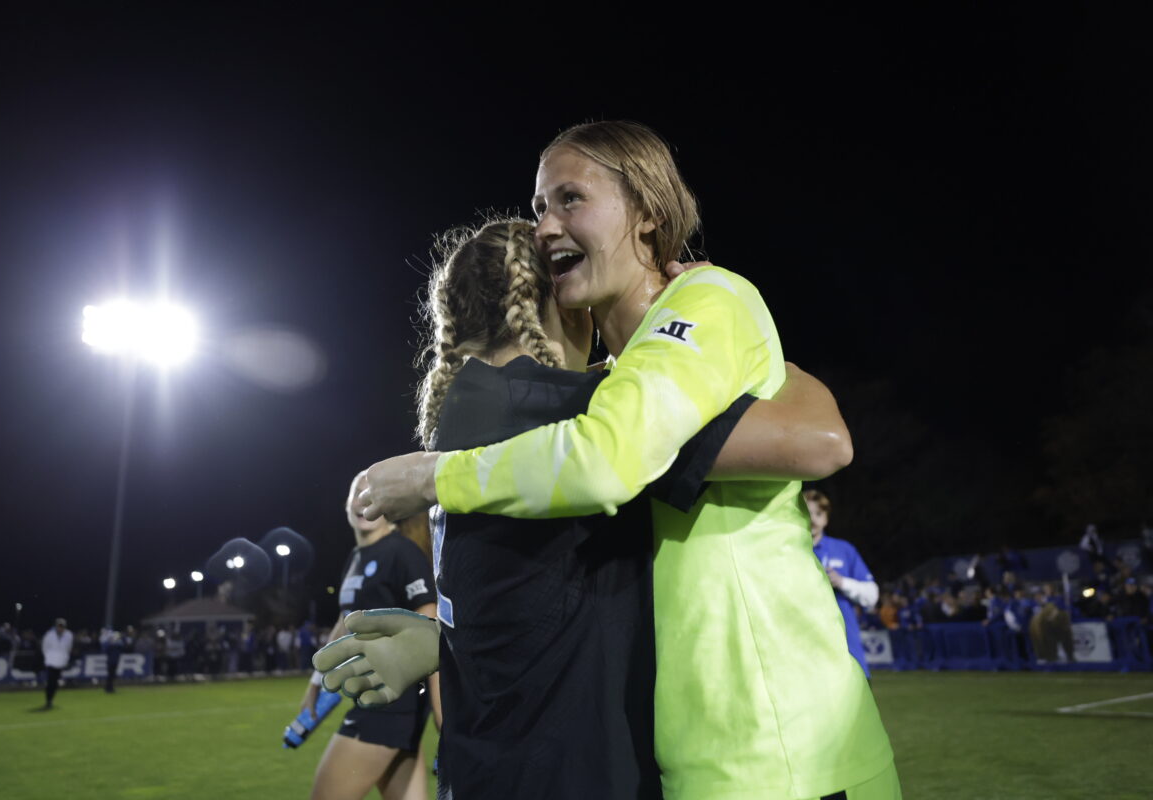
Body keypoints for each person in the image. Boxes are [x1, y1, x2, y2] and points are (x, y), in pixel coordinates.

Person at [342, 121, 898, 799]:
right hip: (691, 761)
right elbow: (568, 589)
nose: (546, 225)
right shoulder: (605, 396)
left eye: (570, 199)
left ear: (648, 213)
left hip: (784, 751)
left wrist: (435, 476)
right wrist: (443, 642)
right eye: (540, 206)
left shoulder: (699, 306)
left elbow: (819, 439)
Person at [302, 505, 438, 800]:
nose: (363, 503)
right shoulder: (355, 557)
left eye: (369, 492)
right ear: (346, 505)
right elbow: (345, 621)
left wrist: (444, 719)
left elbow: (431, 627)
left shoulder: (402, 551)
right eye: (357, 492)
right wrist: (315, 682)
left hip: (391, 696)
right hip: (380, 696)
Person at [805, 489, 880, 679]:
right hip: (805, 652)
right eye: (806, 513)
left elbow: (872, 595)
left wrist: (841, 582)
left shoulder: (843, 550)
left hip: (847, 649)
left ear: (826, 518)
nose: (813, 519)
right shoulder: (786, 550)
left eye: (818, 514)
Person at [40, 617, 73, 710]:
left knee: (55, 683)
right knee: (50, 682)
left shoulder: (68, 635)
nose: (60, 628)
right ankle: (48, 700)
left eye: (62, 626)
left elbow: (68, 648)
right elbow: (44, 647)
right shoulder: (49, 635)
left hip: (60, 662)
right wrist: (48, 657)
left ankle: (50, 700)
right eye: (59, 626)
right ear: (56, 626)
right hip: (51, 662)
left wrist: (65, 659)